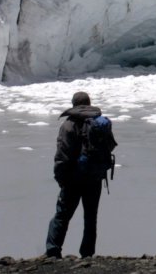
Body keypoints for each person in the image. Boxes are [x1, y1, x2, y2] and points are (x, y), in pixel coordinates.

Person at [44, 91, 116, 259]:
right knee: (90, 217)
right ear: (89, 103)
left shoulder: (69, 125)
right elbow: (110, 146)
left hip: (73, 180)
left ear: (73, 104)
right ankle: (87, 253)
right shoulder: (99, 123)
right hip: (95, 177)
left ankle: (53, 251)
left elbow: (63, 155)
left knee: (62, 216)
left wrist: (60, 178)